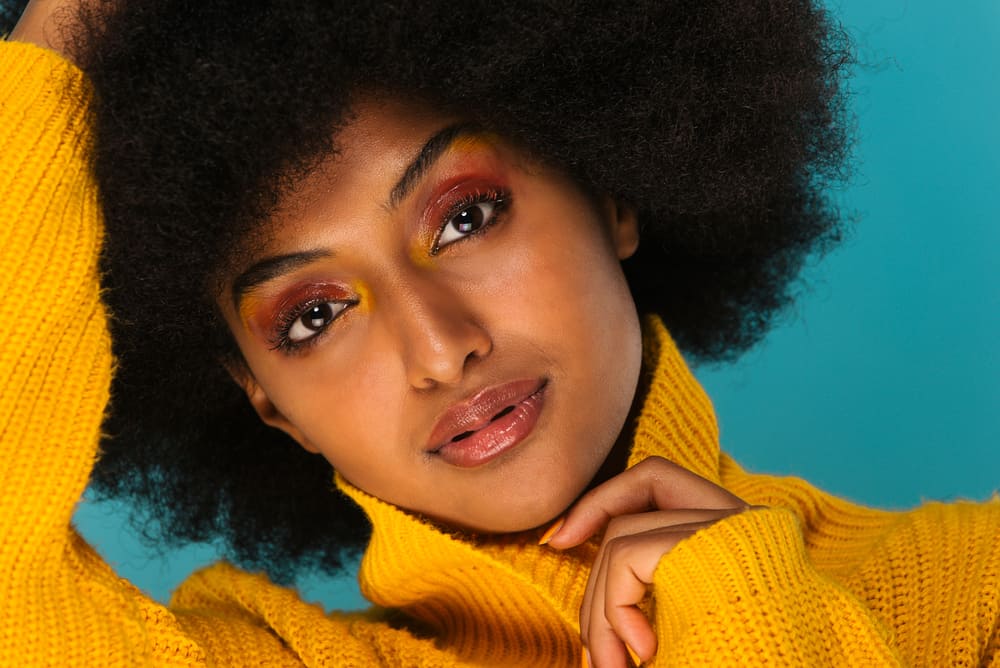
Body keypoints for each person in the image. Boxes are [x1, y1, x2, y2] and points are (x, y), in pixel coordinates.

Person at [1, 0, 998, 666]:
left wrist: (748, 613)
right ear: (266, 398)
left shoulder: (972, 590)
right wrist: (67, 31)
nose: (440, 349)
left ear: (609, 184)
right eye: (312, 315)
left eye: (464, 216)